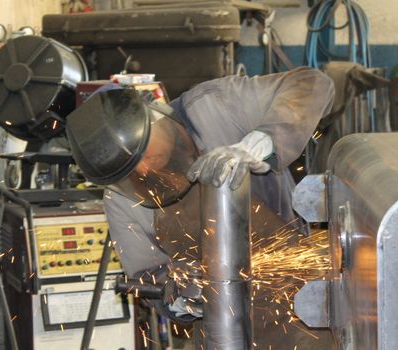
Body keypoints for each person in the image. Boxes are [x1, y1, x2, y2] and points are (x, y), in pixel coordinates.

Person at [66, 67, 335, 348]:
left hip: (306, 308)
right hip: (219, 331)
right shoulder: (121, 199)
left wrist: (262, 140)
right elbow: (146, 276)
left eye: (143, 153)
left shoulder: (215, 105)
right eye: (131, 171)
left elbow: (314, 83)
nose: (145, 169)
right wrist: (178, 295)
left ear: (153, 117)